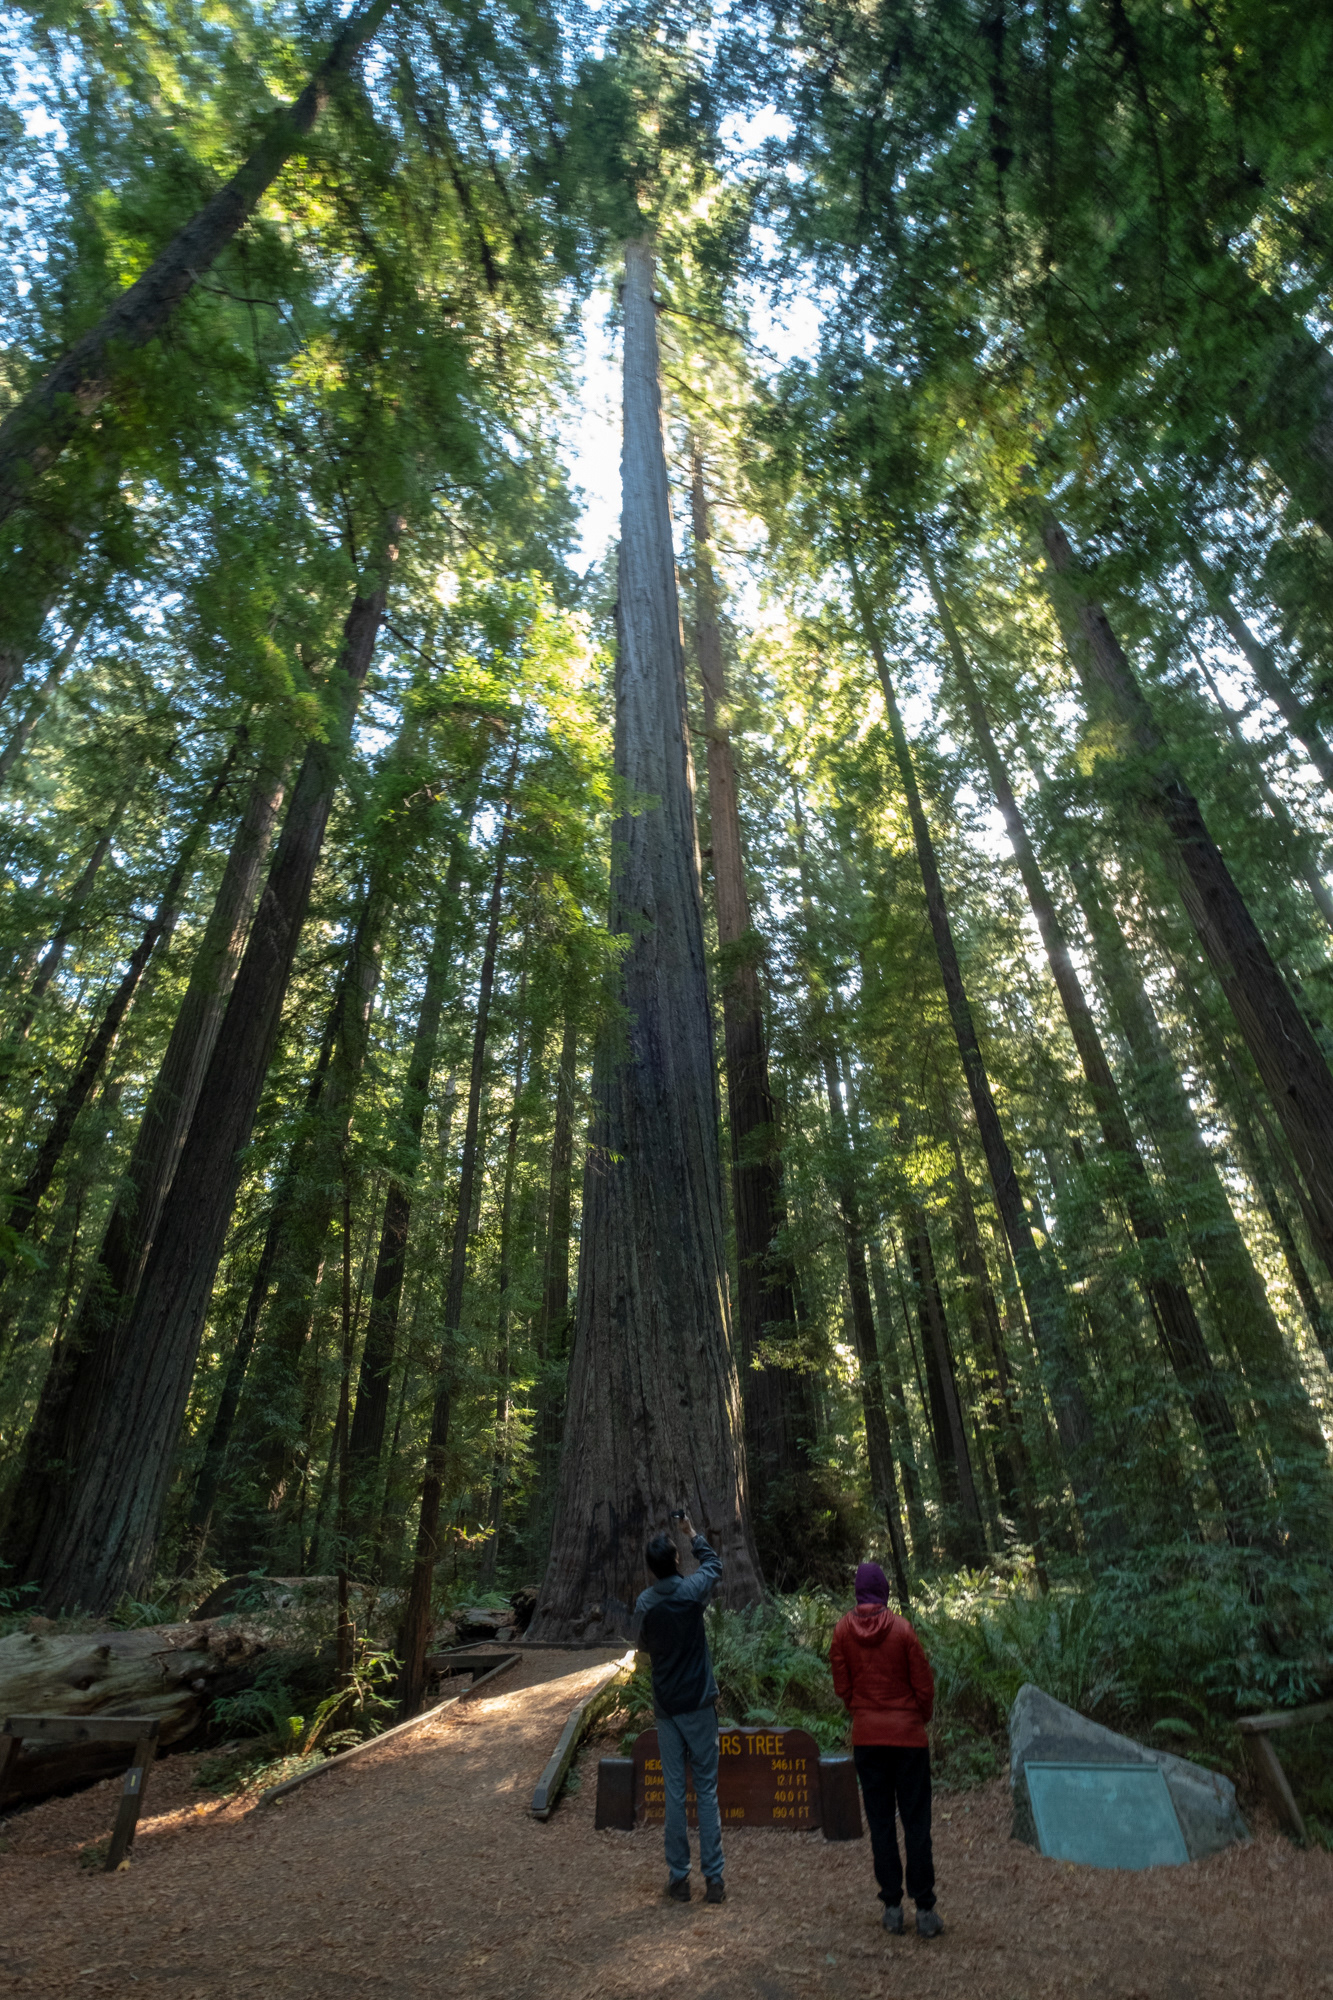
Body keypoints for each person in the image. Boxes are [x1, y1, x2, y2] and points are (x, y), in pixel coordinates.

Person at [830, 1560, 942, 1939]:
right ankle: (925, 1909)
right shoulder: (903, 1630)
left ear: (859, 1592)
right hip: (908, 1739)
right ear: (884, 1590)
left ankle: (892, 1908)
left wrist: (860, 1710)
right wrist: (917, 1717)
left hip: (868, 1738)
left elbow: (841, 1685)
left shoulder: (842, 1631)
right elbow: (923, 1685)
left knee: (880, 1824)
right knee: (916, 1823)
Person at [632, 1511, 726, 1906]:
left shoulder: (645, 1604)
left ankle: (678, 1879)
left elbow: (642, 1649)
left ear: (651, 1570)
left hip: (668, 1706)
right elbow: (715, 1566)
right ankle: (715, 1880)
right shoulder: (693, 1591)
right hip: (700, 1703)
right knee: (706, 1789)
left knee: (674, 1791)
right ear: (674, 1562)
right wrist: (692, 1534)